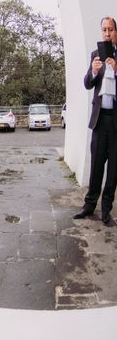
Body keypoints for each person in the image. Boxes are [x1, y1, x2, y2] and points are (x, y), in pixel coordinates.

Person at [74, 16, 117, 225]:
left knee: (113, 171)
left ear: (115, 32)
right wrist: (93, 70)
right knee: (96, 167)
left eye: (110, 29)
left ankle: (106, 211)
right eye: (104, 30)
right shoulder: (95, 55)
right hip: (100, 121)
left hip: (116, 122)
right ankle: (89, 206)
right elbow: (87, 84)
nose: (107, 33)